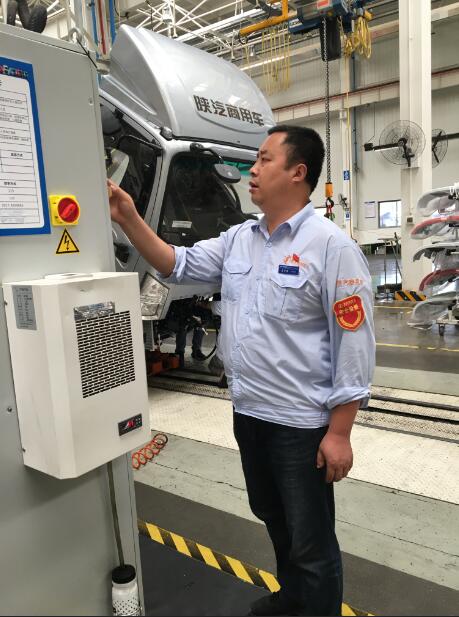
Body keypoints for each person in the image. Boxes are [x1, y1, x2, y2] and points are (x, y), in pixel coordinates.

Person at [108, 125, 375, 617]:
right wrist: (127, 216)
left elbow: (354, 345)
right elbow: (174, 263)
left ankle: (313, 606)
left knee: (311, 541)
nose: (252, 169)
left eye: (265, 159)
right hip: (250, 416)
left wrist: (339, 433)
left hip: (300, 425)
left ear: (297, 173)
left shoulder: (331, 248)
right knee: (275, 520)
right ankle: (293, 601)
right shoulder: (238, 240)